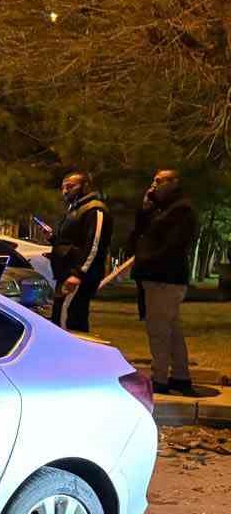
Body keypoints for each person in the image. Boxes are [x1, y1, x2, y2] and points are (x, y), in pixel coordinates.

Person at [129, 169, 201, 395]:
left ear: (174, 183)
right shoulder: (161, 209)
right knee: (171, 329)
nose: (153, 185)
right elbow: (140, 233)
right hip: (158, 277)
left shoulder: (181, 209)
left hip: (164, 278)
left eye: (159, 181)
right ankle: (180, 376)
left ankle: (160, 378)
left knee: (159, 329)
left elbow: (172, 245)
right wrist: (145, 209)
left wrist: (146, 260)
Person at [49, 171, 112, 334]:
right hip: (67, 273)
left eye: (70, 187)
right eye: (63, 188)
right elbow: (71, 242)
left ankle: (75, 356)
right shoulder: (75, 209)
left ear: (85, 186)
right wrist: (54, 239)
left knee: (70, 320)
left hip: (78, 276)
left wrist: (78, 273)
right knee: (61, 317)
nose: (65, 191)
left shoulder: (95, 209)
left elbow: (94, 245)